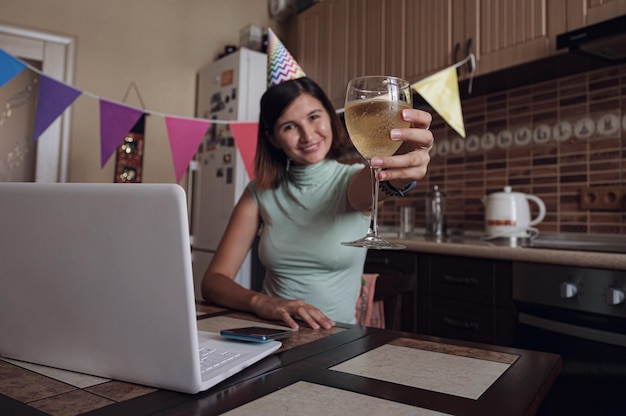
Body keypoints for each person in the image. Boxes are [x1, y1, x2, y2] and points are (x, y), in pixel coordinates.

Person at [201, 31, 433, 330]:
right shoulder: (260, 191)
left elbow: (381, 182)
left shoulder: (348, 181)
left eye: (314, 117)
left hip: (336, 340)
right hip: (270, 335)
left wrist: (405, 165)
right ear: (272, 138)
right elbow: (213, 282)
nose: (308, 135)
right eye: (289, 126)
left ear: (332, 117)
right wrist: (264, 302)